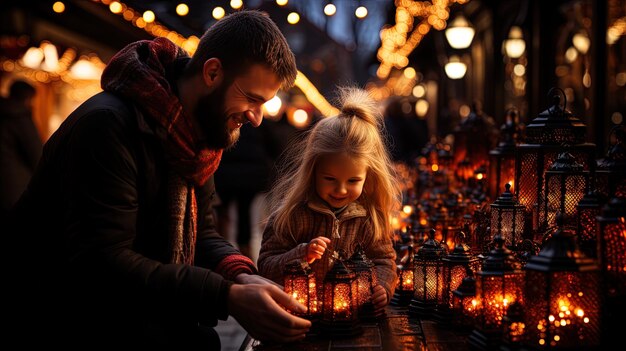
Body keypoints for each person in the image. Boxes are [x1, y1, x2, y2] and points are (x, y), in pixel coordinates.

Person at [7, 10, 311, 349]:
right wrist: (228, 296)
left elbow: (203, 233)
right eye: (252, 99)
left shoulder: (193, 137)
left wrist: (242, 275)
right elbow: (103, 261)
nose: (255, 118)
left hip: (138, 316)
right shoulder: (109, 127)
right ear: (212, 72)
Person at [258, 87, 401, 314]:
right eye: (330, 179)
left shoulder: (369, 219)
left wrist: (382, 287)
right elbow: (266, 267)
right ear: (313, 171)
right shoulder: (292, 216)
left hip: (354, 318)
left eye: (353, 180)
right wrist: (301, 255)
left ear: (368, 177)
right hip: (304, 317)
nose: (341, 189)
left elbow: (384, 262)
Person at [0, 79, 42, 223]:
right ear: (28, 97)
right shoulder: (20, 116)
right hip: (15, 185)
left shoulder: (4, 111)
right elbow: (35, 152)